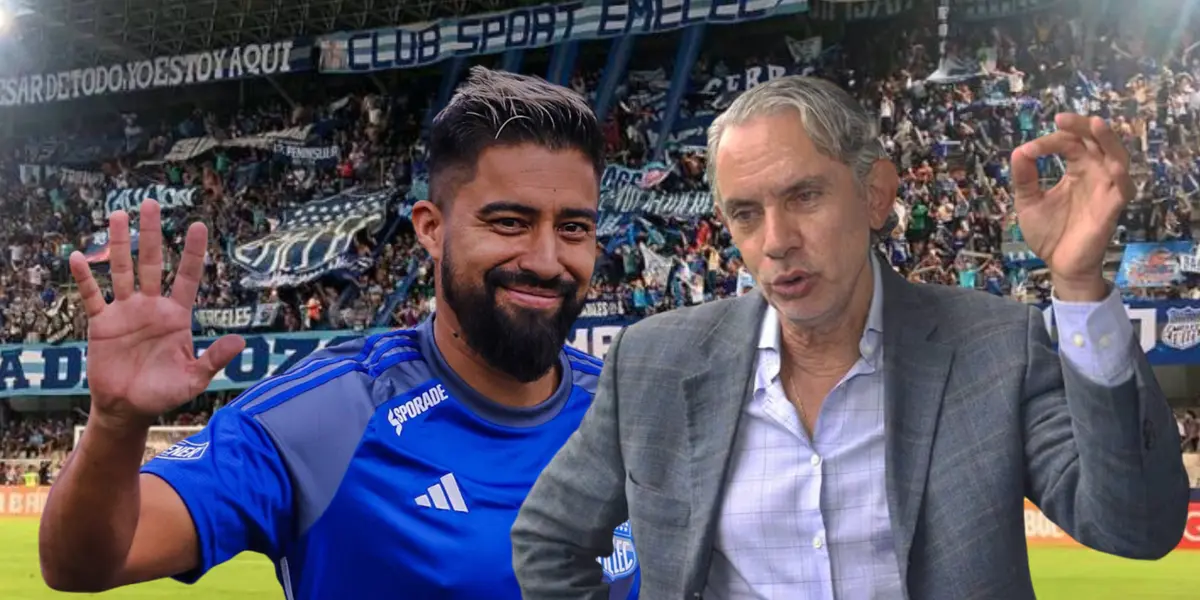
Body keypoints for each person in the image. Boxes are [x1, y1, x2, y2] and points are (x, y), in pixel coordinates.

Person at [512, 76, 1189, 599]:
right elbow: (549, 537)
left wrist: (1077, 286)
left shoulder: (996, 348)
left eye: (804, 196)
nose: (775, 242)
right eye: (746, 214)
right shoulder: (653, 363)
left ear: (875, 194)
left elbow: (1136, 526)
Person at [38, 67, 639, 599]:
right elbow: (85, 563)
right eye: (509, 221)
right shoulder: (330, 412)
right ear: (430, 229)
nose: (545, 257)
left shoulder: (628, 417)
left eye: (574, 229)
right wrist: (116, 423)